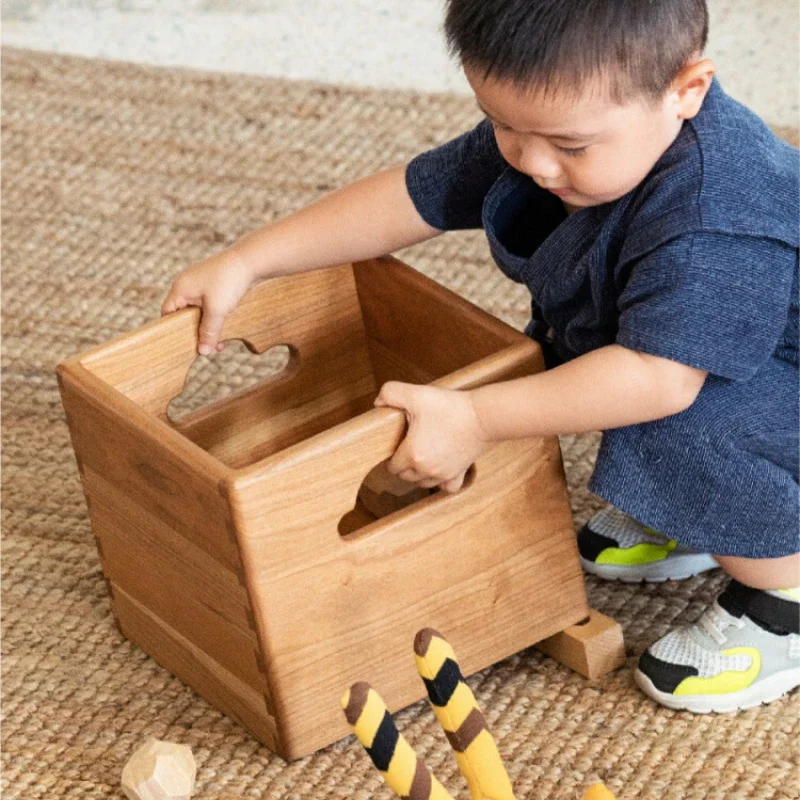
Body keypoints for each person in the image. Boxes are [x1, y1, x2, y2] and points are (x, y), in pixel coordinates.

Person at [162, 0, 800, 714]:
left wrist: (476, 416)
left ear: (687, 90)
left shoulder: (721, 215)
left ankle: (782, 594)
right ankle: (690, 510)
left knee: (668, 413)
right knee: (594, 363)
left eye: (570, 145)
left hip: (755, 384)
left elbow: (660, 379)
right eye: (503, 126)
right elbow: (416, 195)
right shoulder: (556, 127)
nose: (530, 162)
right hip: (705, 359)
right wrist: (250, 261)